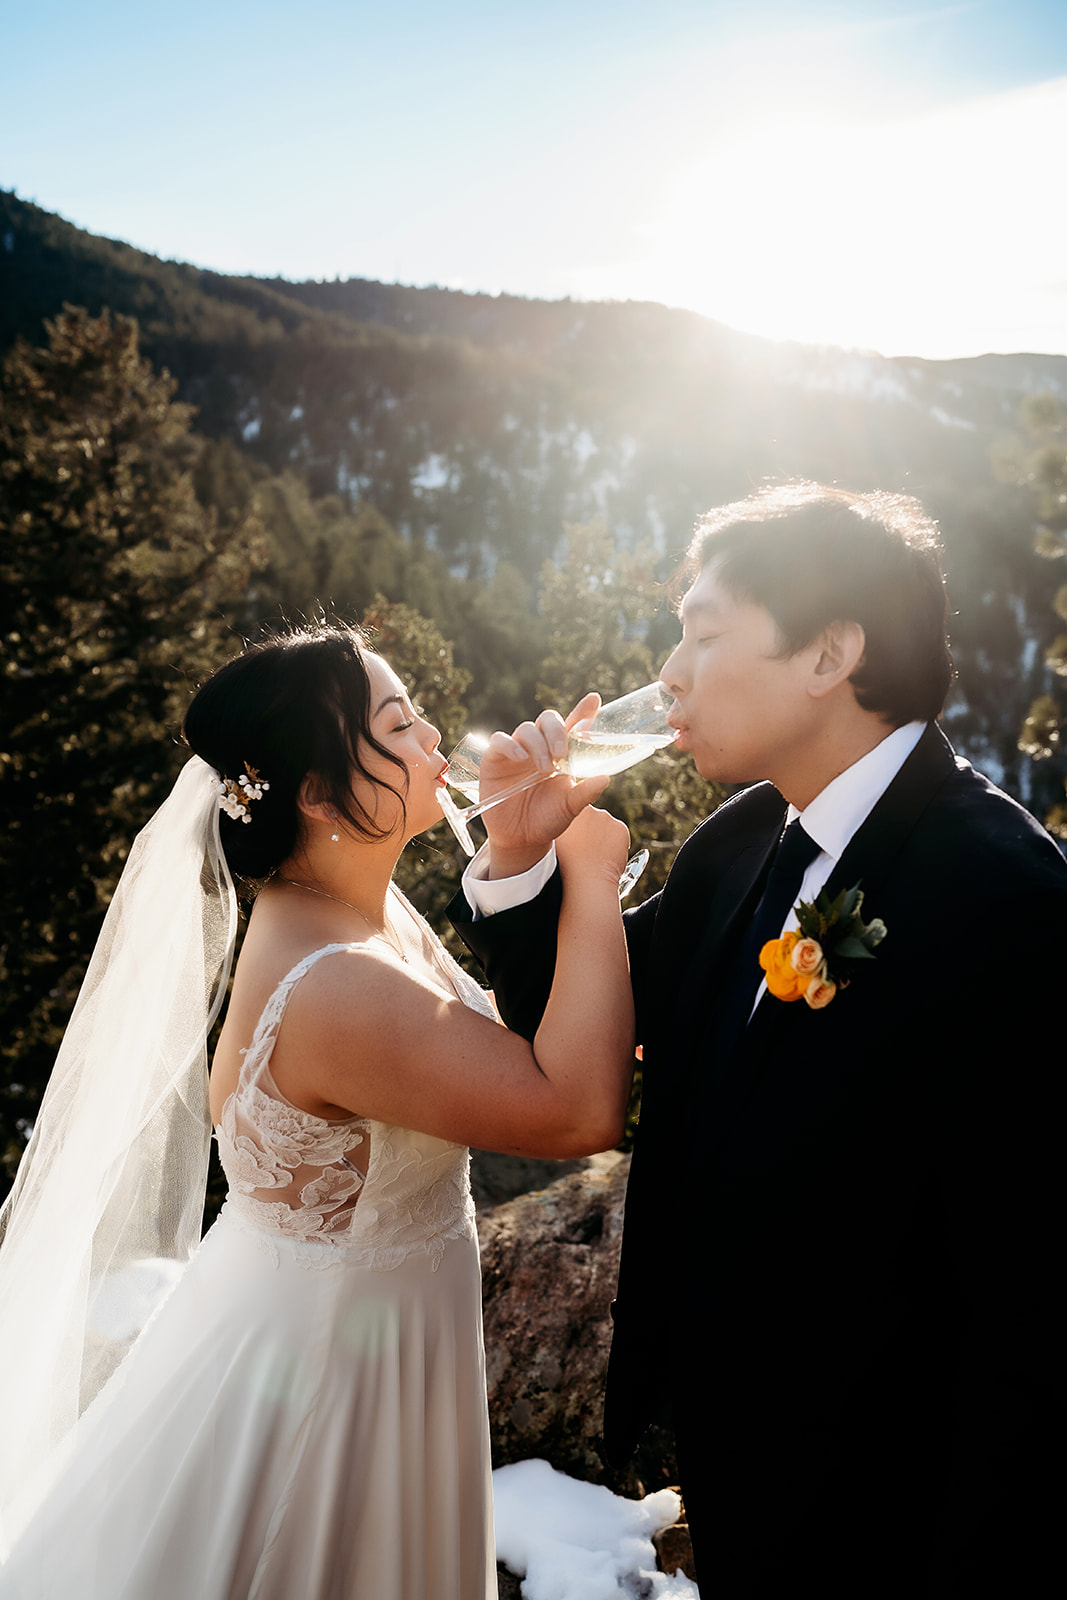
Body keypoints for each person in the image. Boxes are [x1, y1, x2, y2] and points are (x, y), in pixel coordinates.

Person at [450, 483, 1067, 1599]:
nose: (669, 673)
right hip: (742, 1470)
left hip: (900, 1503)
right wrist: (519, 859)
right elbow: (591, 1021)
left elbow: (1028, 1293)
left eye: (704, 633)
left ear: (830, 652)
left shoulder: (1003, 894)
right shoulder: (740, 842)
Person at [0, 623, 634, 1600]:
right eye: (396, 721)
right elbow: (571, 1106)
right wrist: (586, 870)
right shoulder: (335, 984)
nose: (433, 737)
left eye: (419, 713)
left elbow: (505, 1044)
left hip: (366, 1354)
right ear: (312, 791)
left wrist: (514, 851)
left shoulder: (360, 912)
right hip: (321, 1400)